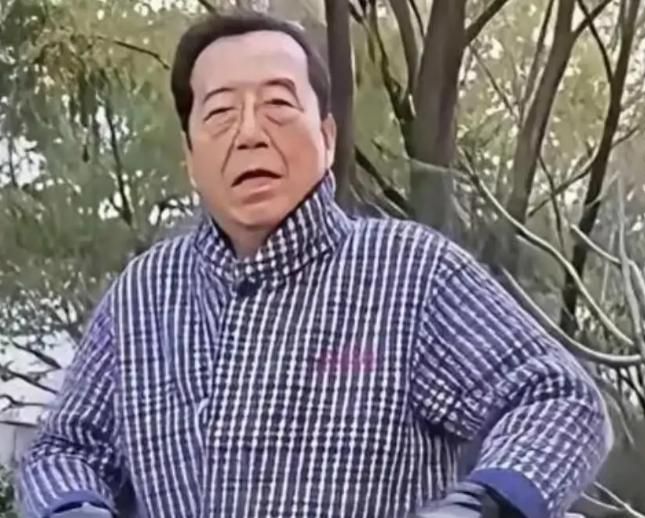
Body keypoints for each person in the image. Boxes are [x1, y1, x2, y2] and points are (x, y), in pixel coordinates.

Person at [17, 9, 612, 518]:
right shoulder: (143, 297)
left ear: (327, 137)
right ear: (190, 158)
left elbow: (560, 399)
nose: (250, 134)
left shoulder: (412, 272)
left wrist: (480, 505)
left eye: (279, 105)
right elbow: (66, 447)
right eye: (220, 113)